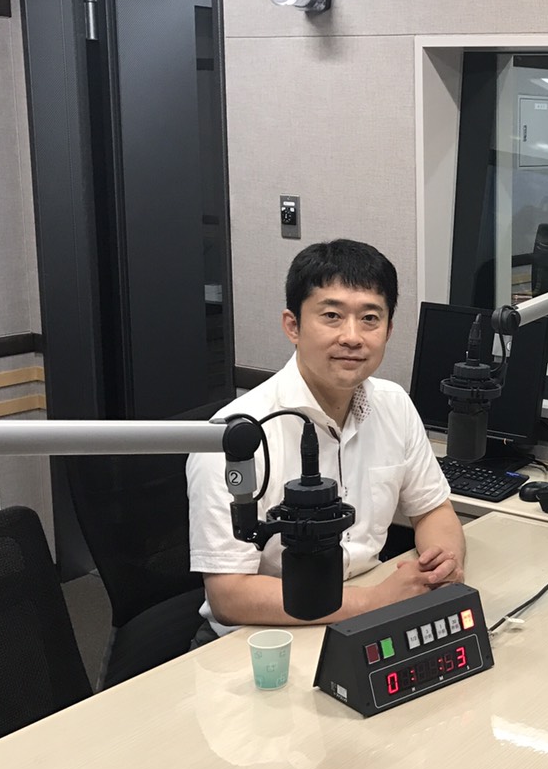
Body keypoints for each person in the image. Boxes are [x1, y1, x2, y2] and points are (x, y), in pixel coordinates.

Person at [186, 239, 465, 640]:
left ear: (389, 329)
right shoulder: (237, 436)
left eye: (370, 319)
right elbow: (229, 597)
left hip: (364, 618)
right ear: (293, 326)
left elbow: (433, 509)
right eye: (332, 316)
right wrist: (373, 601)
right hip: (264, 637)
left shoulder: (394, 404)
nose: (352, 337)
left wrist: (443, 564)